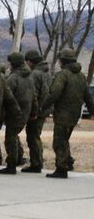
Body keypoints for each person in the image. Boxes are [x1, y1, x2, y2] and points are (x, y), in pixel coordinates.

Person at [40, 48, 94, 178]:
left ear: (63, 61)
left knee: (59, 142)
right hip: (74, 115)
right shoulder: (81, 76)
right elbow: (88, 96)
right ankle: (68, 162)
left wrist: (43, 107)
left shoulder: (63, 75)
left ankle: (61, 168)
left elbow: (55, 93)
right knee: (64, 140)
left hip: (63, 114)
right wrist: (92, 111)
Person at [0, 52, 36, 174]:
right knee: (14, 137)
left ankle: (11, 165)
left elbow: (6, 96)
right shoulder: (30, 77)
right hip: (25, 112)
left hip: (14, 113)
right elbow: (34, 96)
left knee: (10, 139)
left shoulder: (13, 78)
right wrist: (34, 111)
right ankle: (17, 159)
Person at [23, 48, 50, 173]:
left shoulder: (35, 74)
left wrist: (33, 111)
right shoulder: (47, 74)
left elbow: (33, 95)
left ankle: (36, 163)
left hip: (37, 111)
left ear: (30, 62)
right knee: (36, 136)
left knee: (33, 137)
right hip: (44, 110)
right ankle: (38, 161)